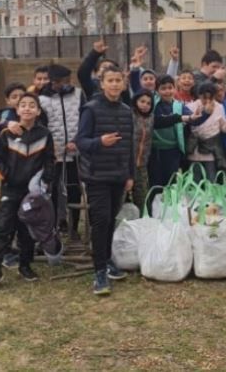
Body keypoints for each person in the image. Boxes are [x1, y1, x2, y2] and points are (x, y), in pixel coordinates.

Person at [0, 93, 56, 292]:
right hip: (10, 189)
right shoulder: (8, 133)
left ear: (38, 111)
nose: (27, 108)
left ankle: (25, 265)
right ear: (17, 110)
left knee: (27, 230)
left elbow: (50, 160)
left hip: (31, 193)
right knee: (1, 228)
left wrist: (45, 182)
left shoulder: (44, 134)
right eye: (22, 105)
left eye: (32, 105)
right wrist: (6, 176)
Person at [75, 65, 135, 296]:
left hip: (118, 176)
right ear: (102, 83)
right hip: (97, 175)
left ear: (123, 83)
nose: (114, 84)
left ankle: (108, 260)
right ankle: (99, 270)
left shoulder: (125, 110)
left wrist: (129, 174)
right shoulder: (90, 109)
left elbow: (128, 145)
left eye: (118, 80)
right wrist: (100, 142)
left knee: (111, 220)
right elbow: (81, 142)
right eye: (110, 80)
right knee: (100, 222)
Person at [38, 64, 84, 240]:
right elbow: (40, 126)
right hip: (54, 154)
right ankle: (55, 225)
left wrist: (77, 141)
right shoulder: (42, 99)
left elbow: (85, 120)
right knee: (54, 190)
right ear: (53, 81)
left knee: (74, 190)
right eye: (62, 81)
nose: (66, 84)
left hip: (75, 152)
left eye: (68, 80)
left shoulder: (78, 94)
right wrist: (51, 147)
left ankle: (73, 227)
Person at [131, 89, 190, 210]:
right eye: (142, 101)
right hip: (126, 164)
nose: (145, 105)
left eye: (148, 103)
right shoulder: (128, 116)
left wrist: (187, 117)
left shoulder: (151, 119)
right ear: (135, 101)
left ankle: (144, 222)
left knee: (142, 197)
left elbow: (168, 119)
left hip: (141, 165)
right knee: (122, 196)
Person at [149, 75, 205, 190]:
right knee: (156, 183)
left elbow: (194, 119)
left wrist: (202, 114)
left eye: (170, 87)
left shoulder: (179, 106)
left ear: (175, 88)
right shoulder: (152, 105)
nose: (167, 91)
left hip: (173, 150)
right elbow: (156, 122)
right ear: (157, 91)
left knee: (171, 182)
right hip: (154, 150)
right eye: (163, 88)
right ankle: (155, 206)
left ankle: (170, 207)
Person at [186, 83, 226, 182]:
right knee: (195, 177)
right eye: (204, 98)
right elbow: (190, 124)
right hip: (195, 146)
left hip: (211, 147)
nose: (207, 101)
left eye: (210, 98)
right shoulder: (191, 106)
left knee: (211, 177)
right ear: (199, 95)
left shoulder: (219, 107)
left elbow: (223, 127)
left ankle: (210, 196)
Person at [77, 39, 129, 104]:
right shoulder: (93, 88)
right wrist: (94, 53)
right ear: (96, 73)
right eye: (104, 67)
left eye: (111, 67)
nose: (114, 84)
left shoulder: (122, 91)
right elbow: (83, 74)